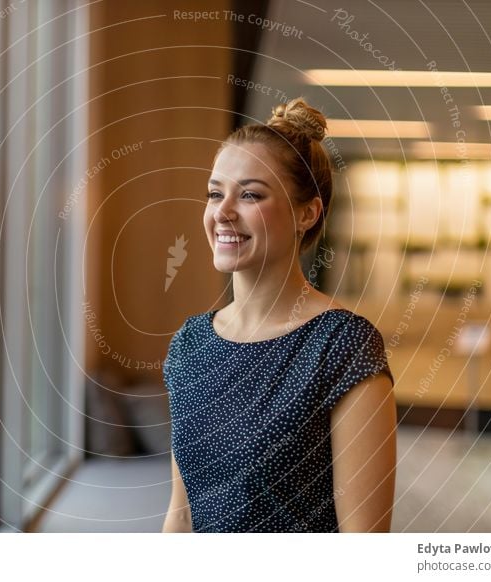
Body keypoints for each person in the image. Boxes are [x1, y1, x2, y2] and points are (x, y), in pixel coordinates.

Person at [161, 97, 396, 533]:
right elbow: (181, 513)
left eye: (250, 194)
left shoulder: (343, 346)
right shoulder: (189, 345)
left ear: (307, 213)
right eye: (215, 193)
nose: (223, 212)